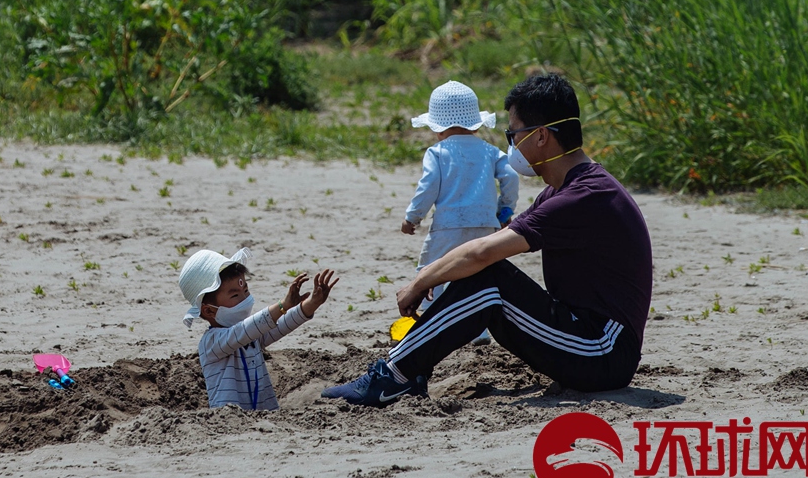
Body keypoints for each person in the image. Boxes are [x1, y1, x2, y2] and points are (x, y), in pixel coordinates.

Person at [322, 73, 652, 406]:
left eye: (513, 134)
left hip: (602, 352)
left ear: (540, 137)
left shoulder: (584, 195)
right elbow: (488, 249)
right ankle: (403, 371)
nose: (511, 144)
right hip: (586, 339)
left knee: (489, 280)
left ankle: (393, 376)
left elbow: (482, 253)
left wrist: (421, 280)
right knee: (485, 276)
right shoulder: (567, 189)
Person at [402, 81, 519, 327]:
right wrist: (505, 209)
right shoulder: (489, 151)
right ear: (475, 123)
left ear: (438, 127)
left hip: (448, 226)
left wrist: (413, 217)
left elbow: (428, 187)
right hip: (486, 227)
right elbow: (511, 175)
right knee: (479, 275)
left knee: (430, 273)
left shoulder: (437, 152)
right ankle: (481, 330)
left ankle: (424, 323)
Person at [179, 247, 338, 410]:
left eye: (246, 290)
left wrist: (312, 302)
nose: (245, 299)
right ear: (209, 310)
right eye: (235, 295)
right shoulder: (211, 342)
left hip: (265, 421)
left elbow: (281, 325)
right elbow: (247, 330)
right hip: (230, 424)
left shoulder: (250, 333)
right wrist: (284, 305)